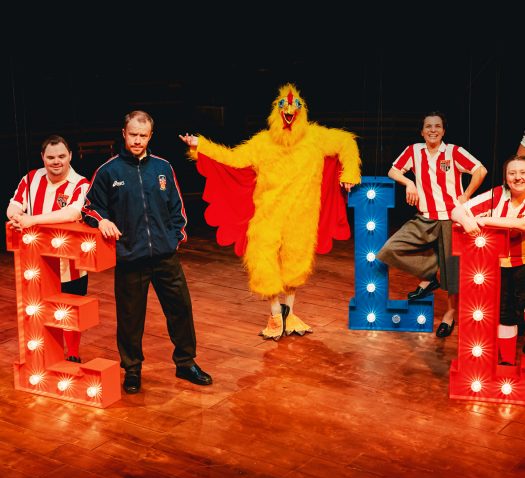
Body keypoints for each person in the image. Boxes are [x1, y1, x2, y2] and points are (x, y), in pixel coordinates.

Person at [179, 83, 362, 341]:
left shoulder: (316, 137)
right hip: (268, 214)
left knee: (295, 263)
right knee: (263, 261)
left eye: (294, 108)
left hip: (302, 215)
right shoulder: (262, 143)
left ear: (301, 112)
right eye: (284, 109)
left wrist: (351, 172)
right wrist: (202, 146)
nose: (289, 113)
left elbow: (346, 143)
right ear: (276, 113)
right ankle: (275, 314)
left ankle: (289, 313)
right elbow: (233, 159)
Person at [82, 110, 212, 394]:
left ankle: (186, 363)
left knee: (181, 310)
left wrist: (175, 238)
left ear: (150, 136)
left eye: (143, 135)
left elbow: (177, 209)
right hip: (130, 259)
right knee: (130, 318)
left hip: (166, 257)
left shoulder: (163, 168)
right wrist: (102, 220)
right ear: (124, 134)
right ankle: (132, 369)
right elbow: (88, 207)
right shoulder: (109, 171)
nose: (138, 140)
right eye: (133, 135)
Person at [377, 111, 487, 337]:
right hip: (425, 217)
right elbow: (393, 171)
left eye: (437, 126)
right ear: (422, 131)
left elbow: (480, 170)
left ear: (443, 131)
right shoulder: (414, 151)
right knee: (390, 249)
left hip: (451, 218)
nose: (433, 130)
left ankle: (450, 314)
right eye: (428, 126)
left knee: (452, 271)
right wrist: (409, 183)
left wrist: (465, 195)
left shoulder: (453, 151)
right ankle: (429, 276)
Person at [7, 134, 90, 363]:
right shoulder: (31, 178)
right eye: (51, 157)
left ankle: (73, 354)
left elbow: (72, 213)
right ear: (43, 157)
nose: (57, 162)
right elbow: (14, 204)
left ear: (70, 156)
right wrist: (16, 216)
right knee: (40, 311)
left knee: (70, 312)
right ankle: (45, 355)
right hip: (36, 263)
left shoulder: (81, 184)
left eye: (62, 156)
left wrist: (32, 220)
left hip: (70, 264)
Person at [451, 154, 525, 364]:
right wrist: (466, 220)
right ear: (506, 177)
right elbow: (457, 210)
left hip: (524, 263)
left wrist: (483, 219)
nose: (518, 177)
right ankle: (508, 362)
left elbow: (520, 225)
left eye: (522, 173)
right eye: (512, 173)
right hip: (500, 265)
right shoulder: (498, 194)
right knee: (505, 313)